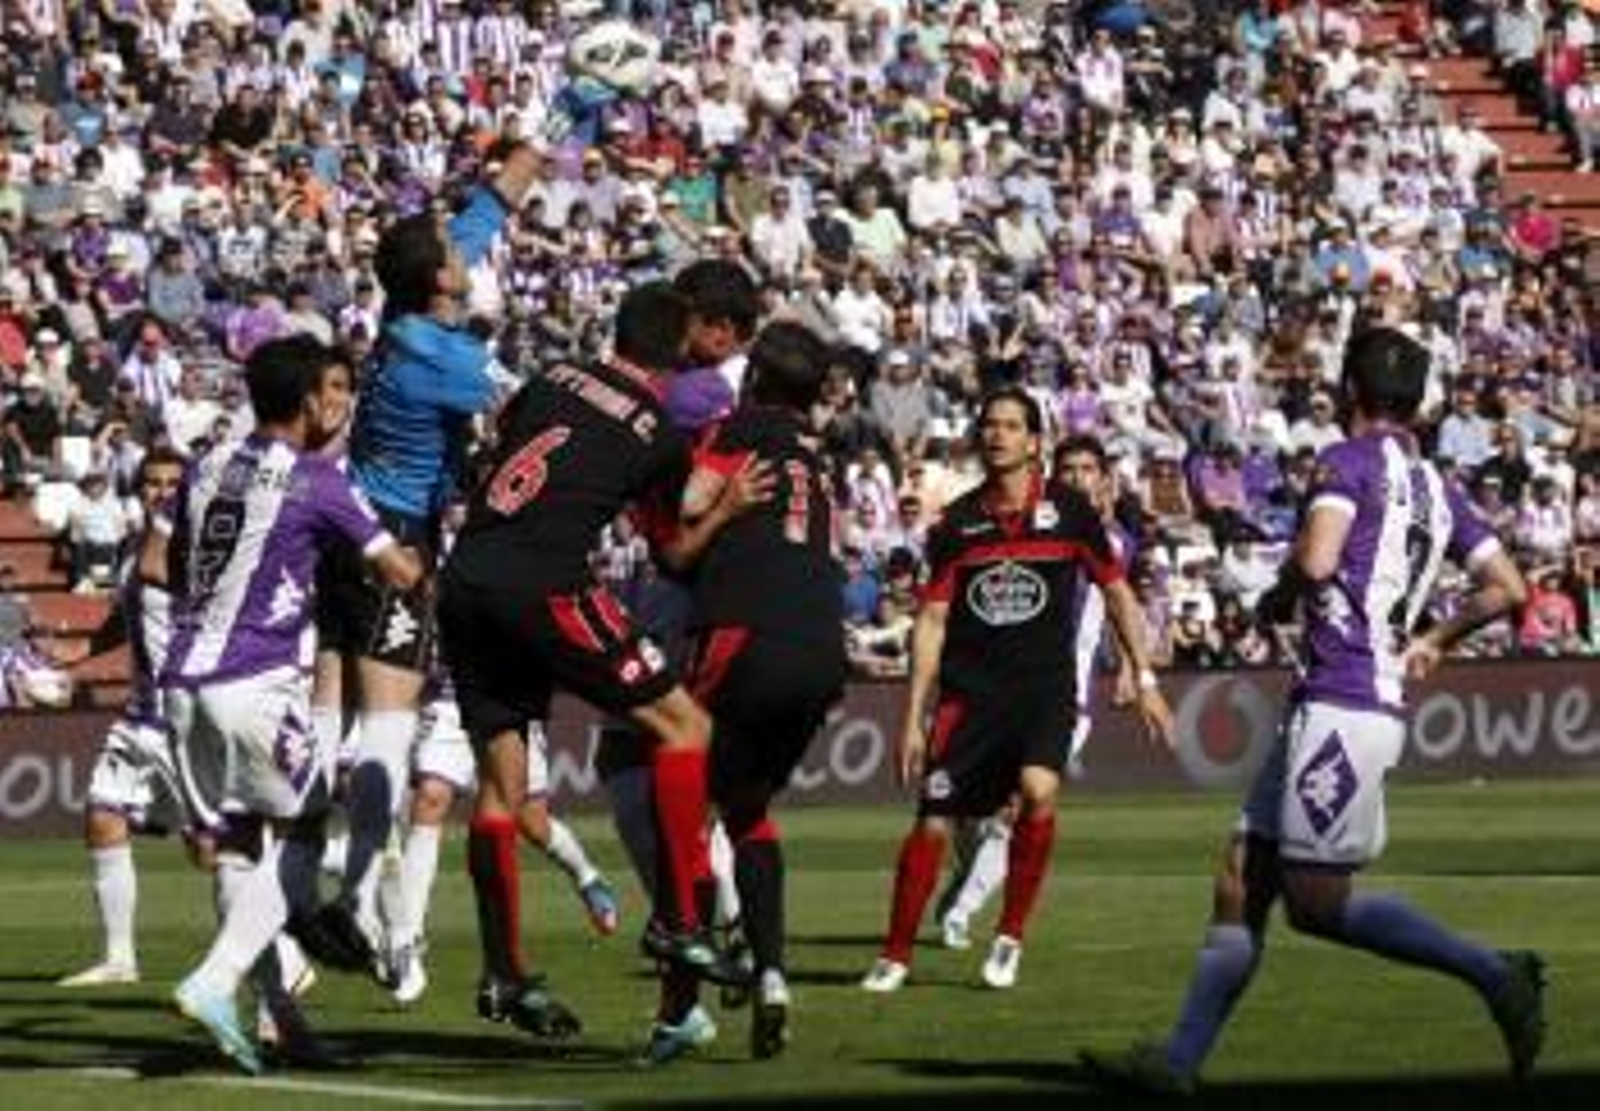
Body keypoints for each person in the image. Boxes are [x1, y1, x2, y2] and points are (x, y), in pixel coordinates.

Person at [1082, 328, 1547, 1094]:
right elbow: (1508, 587)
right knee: (1240, 876)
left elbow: (1318, 558)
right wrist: (1432, 637)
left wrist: (1279, 596)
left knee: (1316, 903)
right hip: (1343, 696)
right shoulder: (1437, 485)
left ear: (1348, 391)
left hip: (1346, 697)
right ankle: (1176, 1064)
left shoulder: (1346, 460)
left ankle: (1496, 974)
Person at [436, 282, 755, 1041]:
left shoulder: (551, 378)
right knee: (685, 727)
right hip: (544, 581)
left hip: (468, 574)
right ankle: (679, 920)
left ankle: (504, 972)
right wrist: (728, 508)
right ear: (677, 347)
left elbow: (506, 445)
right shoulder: (661, 429)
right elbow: (672, 543)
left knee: (500, 789)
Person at [165, 335, 424, 1076]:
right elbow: (399, 571)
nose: (341, 404)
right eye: (334, 391)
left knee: (246, 843)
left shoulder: (204, 465)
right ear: (309, 398)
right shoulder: (317, 479)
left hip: (183, 684)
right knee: (306, 831)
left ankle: (281, 1019)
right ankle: (214, 983)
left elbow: (176, 560)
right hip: (255, 679)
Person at [861, 388, 1174, 994]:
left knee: (1038, 790)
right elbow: (930, 621)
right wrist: (912, 716)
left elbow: (1117, 594)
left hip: (1044, 691)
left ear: (1035, 442)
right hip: (969, 697)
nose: (996, 435)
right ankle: (895, 954)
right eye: (989, 425)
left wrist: (1146, 677)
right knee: (934, 822)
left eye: (1010, 426)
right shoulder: (956, 525)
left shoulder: (1071, 513)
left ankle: (1009, 937)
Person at [317, 141, 540, 967]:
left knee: (360, 720)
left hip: (360, 529)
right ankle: (345, 898)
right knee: (388, 727)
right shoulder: (439, 358)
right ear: (438, 281)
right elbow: (526, 411)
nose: (465, 252)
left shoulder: (410, 319)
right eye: (453, 254)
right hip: (394, 541)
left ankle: (336, 880)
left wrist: (565, 117)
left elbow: (493, 209)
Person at [645, 321, 847, 1063]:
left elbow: (685, 516)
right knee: (749, 808)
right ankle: (771, 974)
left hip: (742, 626)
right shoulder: (816, 461)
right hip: (823, 646)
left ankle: (679, 1004)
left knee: (680, 801)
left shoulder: (735, 429)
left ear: (754, 376)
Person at [935, 434, 1137, 952]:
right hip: (990, 688)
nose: (1077, 479)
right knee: (964, 807)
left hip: (1061, 695)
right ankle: (966, 878)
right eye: (1068, 470)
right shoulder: (1015, 525)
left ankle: (963, 912)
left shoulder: (1109, 539)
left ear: (1105, 479)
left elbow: (1115, 598)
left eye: (1088, 469)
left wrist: (1136, 671)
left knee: (1019, 804)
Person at [59, 448, 187, 988]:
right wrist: (81, 655)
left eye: (170, 483)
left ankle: (350, 864)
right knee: (103, 817)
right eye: (151, 482)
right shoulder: (139, 549)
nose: (160, 491)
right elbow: (125, 617)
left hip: (187, 714)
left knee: (217, 847)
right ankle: (119, 957)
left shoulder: (198, 548)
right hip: (143, 714)